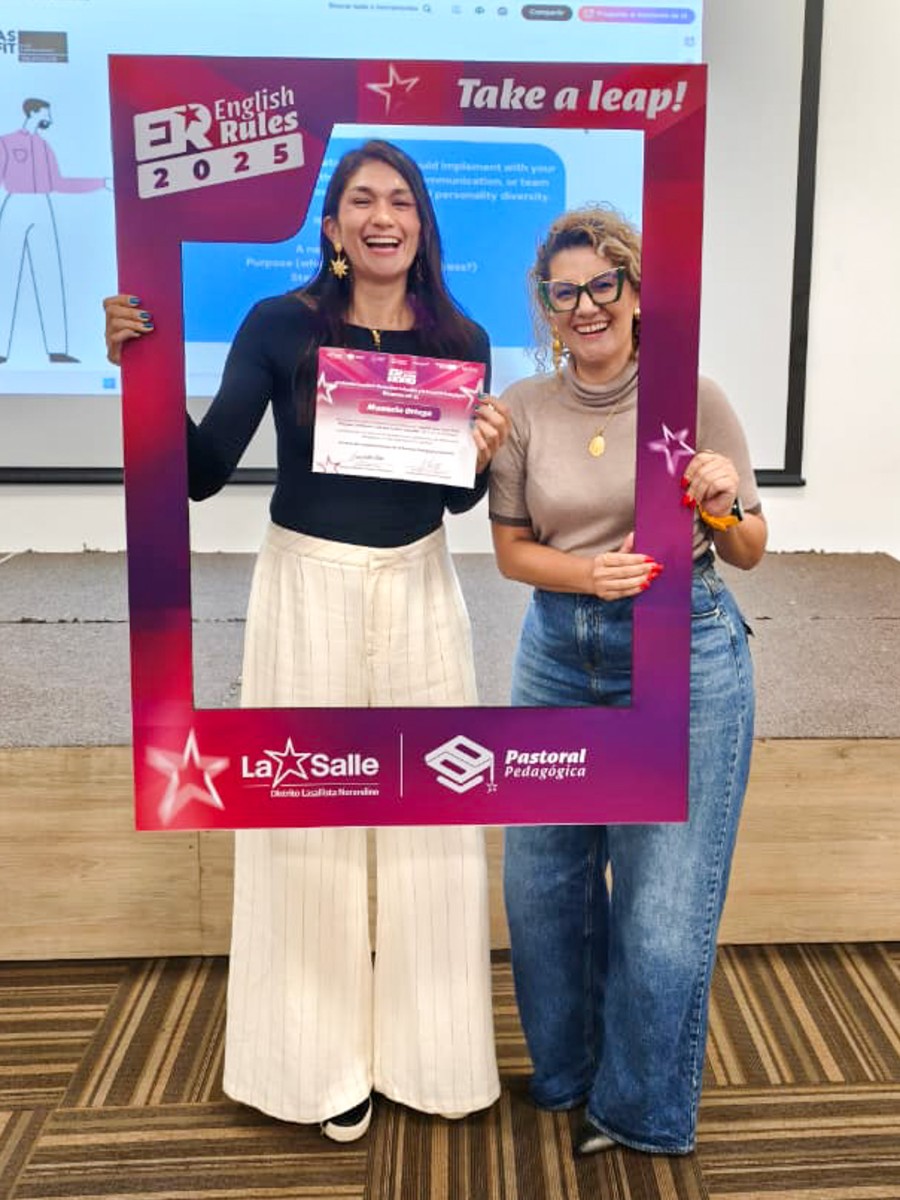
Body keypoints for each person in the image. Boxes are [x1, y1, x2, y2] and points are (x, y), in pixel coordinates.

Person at [104, 140, 509, 1141]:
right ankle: (314, 1069)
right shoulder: (278, 323)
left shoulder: (463, 336)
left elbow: (455, 499)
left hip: (421, 586)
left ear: (423, 225)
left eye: (400, 200)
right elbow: (202, 471)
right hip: (306, 588)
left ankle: (434, 1057)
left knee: (434, 824)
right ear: (331, 227)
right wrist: (141, 372)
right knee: (304, 822)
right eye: (361, 200)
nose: (382, 216)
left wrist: (480, 455)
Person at [488, 206, 767, 1157]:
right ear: (546, 308)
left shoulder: (693, 398)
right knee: (543, 890)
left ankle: (641, 1110)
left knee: (662, 908)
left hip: (684, 648)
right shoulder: (526, 407)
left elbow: (752, 549)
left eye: (604, 284)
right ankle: (567, 1076)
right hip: (558, 651)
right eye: (564, 292)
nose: (587, 306)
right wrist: (588, 574)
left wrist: (722, 508)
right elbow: (512, 551)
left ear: (637, 292)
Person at [0, 98, 108, 364]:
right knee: (6, 278)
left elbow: (59, 183)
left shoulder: (44, 146)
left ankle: (57, 348)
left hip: (42, 206)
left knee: (49, 274)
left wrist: (100, 183)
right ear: (34, 112)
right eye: (46, 113)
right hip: (15, 205)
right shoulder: (6, 143)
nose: (50, 118)